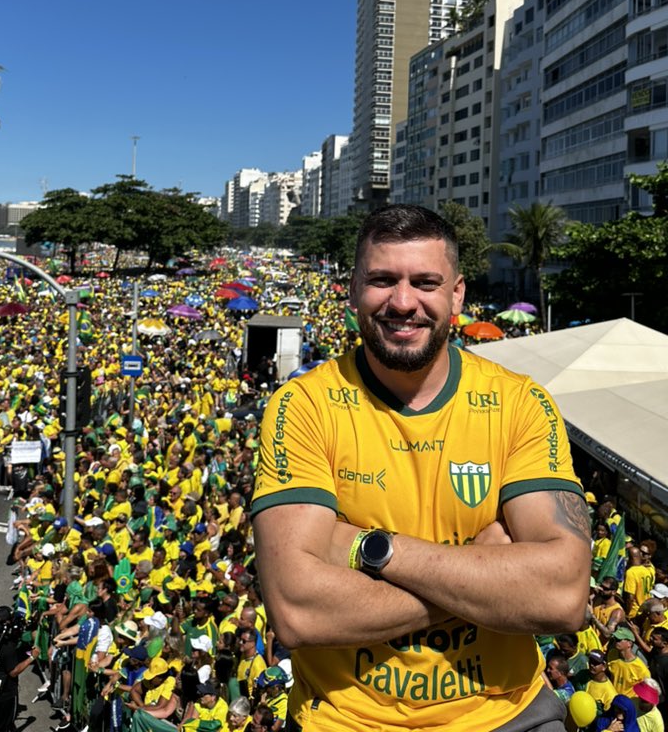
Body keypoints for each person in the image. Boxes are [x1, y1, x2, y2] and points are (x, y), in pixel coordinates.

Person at [252, 204, 590, 732]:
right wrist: (482, 577)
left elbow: (563, 596)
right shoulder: (305, 406)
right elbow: (297, 610)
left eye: (425, 282)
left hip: (505, 712)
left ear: (456, 293)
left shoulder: (521, 403)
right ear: (353, 289)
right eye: (382, 280)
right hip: (344, 718)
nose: (403, 302)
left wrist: (370, 548)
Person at [0, 605, 39, 732]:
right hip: (7, 694)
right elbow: (13, 671)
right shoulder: (8, 648)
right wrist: (32, 657)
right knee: (6, 725)